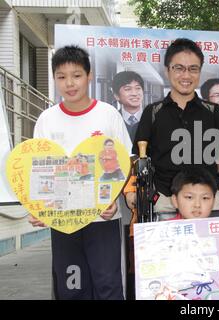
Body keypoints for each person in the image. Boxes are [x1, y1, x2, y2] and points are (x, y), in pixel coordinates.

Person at [30, 45, 132, 300]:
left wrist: (113, 198)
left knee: (107, 285)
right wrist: (38, 207)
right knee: (71, 288)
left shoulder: (108, 115)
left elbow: (125, 162)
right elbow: (40, 168)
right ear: (54, 79)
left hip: (103, 219)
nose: (69, 83)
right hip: (63, 222)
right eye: (61, 77)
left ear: (89, 75)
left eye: (76, 75)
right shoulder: (47, 119)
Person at [126, 38, 219, 216]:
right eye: (179, 68)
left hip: (209, 200)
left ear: (199, 72)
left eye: (193, 69)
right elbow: (139, 158)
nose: (186, 76)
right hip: (165, 200)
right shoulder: (152, 112)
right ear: (167, 70)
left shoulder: (213, 111)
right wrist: (132, 190)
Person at [112, 71, 145, 142]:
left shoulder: (154, 119)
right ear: (117, 96)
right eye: (128, 89)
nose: (134, 93)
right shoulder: (112, 120)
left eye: (138, 88)